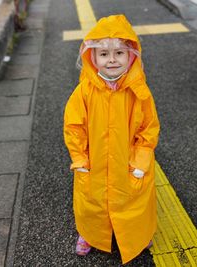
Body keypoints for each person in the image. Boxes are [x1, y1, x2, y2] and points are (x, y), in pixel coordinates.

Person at [64, 14, 160, 264]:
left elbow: (149, 129)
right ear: (92, 58)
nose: (112, 60)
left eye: (119, 53)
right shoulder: (84, 91)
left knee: (133, 201)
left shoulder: (139, 91)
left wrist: (140, 162)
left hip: (128, 162)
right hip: (93, 162)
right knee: (92, 203)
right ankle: (90, 234)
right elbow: (74, 126)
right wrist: (79, 158)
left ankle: (137, 234)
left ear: (131, 56)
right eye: (104, 54)